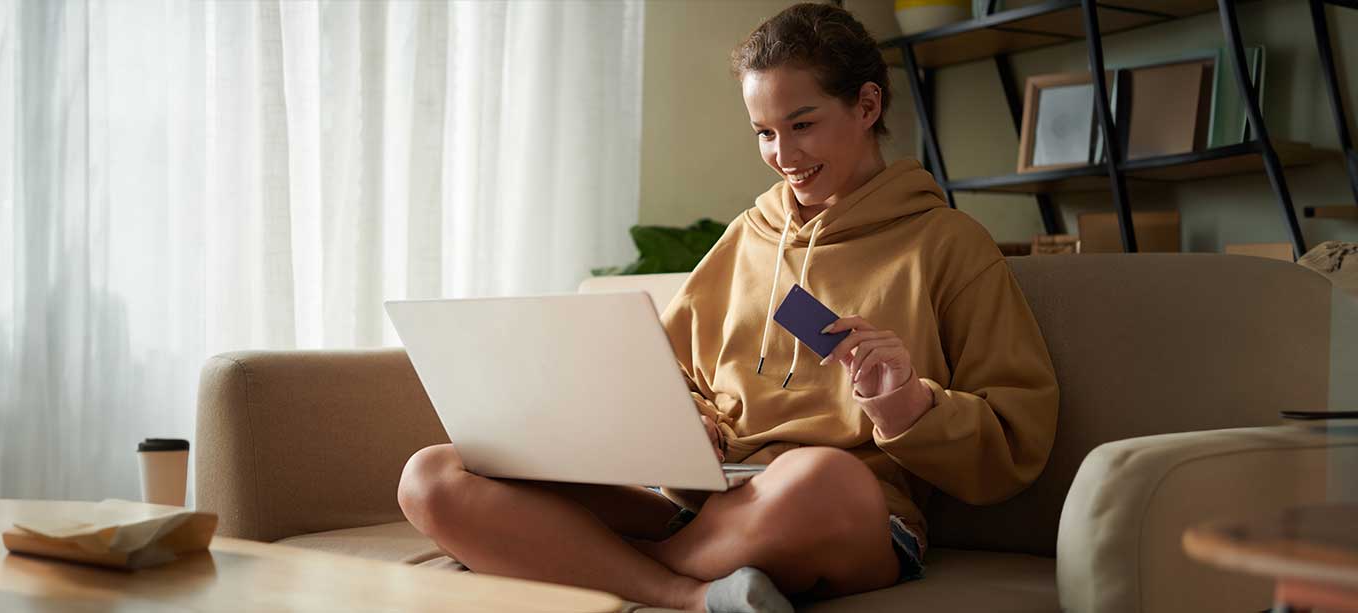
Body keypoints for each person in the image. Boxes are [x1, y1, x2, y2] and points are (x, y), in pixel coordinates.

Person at [395, 3, 1060, 611]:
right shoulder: (749, 234)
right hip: (707, 507)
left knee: (824, 475)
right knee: (432, 473)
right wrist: (691, 419)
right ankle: (697, 595)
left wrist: (911, 405)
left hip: (847, 512)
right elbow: (664, 372)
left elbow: (1017, 435)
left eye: (802, 125)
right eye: (765, 133)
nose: (783, 156)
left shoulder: (949, 244)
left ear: (865, 105)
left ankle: (580, 561)